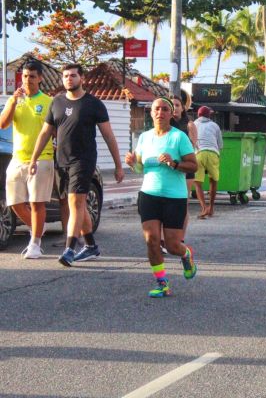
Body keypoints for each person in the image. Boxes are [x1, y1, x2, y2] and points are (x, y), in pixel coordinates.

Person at [29, 63, 124, 266]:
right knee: (77, 205)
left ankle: (69, 249)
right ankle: (91, 246)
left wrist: (118, 165)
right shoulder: (56, 102)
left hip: (84, 160)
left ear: (82, 78)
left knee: (75, 203)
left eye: (73, 75)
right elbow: (45, 133)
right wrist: (33, 159)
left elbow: (108, 135)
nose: (69, 79)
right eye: (65, 76)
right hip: (61, 161)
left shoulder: (93, 104)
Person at [125, 97, 198, 298]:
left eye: (165, 109)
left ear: (171, 113)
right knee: (151, 240)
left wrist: (174, 163)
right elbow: (141, 168)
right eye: (157, 109)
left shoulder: (179, 137)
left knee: (173, 246)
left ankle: (186, 254)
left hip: (174, 197)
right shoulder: (145, 137)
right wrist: (132, 163)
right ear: (151, 113)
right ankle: (162, 282)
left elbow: (194, 166)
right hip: (149, 194)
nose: (160, 112)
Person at [0, 61, 54, 259]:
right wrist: (13, 102)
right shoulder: (15, 100)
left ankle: (35, 243)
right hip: (17, 158)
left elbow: (54, 131)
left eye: (32, 76)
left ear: (40, 78)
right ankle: (37, 226)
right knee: (14, 203)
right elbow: (3, 123)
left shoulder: (48, 102)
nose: (27, 80)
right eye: (24, 76)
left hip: (42, 158)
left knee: (37, 202)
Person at [171, 96, 198, 236]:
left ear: (183, 108)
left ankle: (181, 237)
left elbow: (192, 148)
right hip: (168, 169)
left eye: (177, 105)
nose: (174, 108)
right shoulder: (165, 125)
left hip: (185, 168)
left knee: (182, 204)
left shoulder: (189, 125)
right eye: (172, 105)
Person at [193, 105, 223, 219]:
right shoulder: (215, 125)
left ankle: (203, 207)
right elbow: (220, 145)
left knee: (198, 183)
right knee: (213, 180)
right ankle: (211, 208)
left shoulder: (193, 124)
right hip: (212, 153)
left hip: (198, 154)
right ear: (209, 115)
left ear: (198, 115)